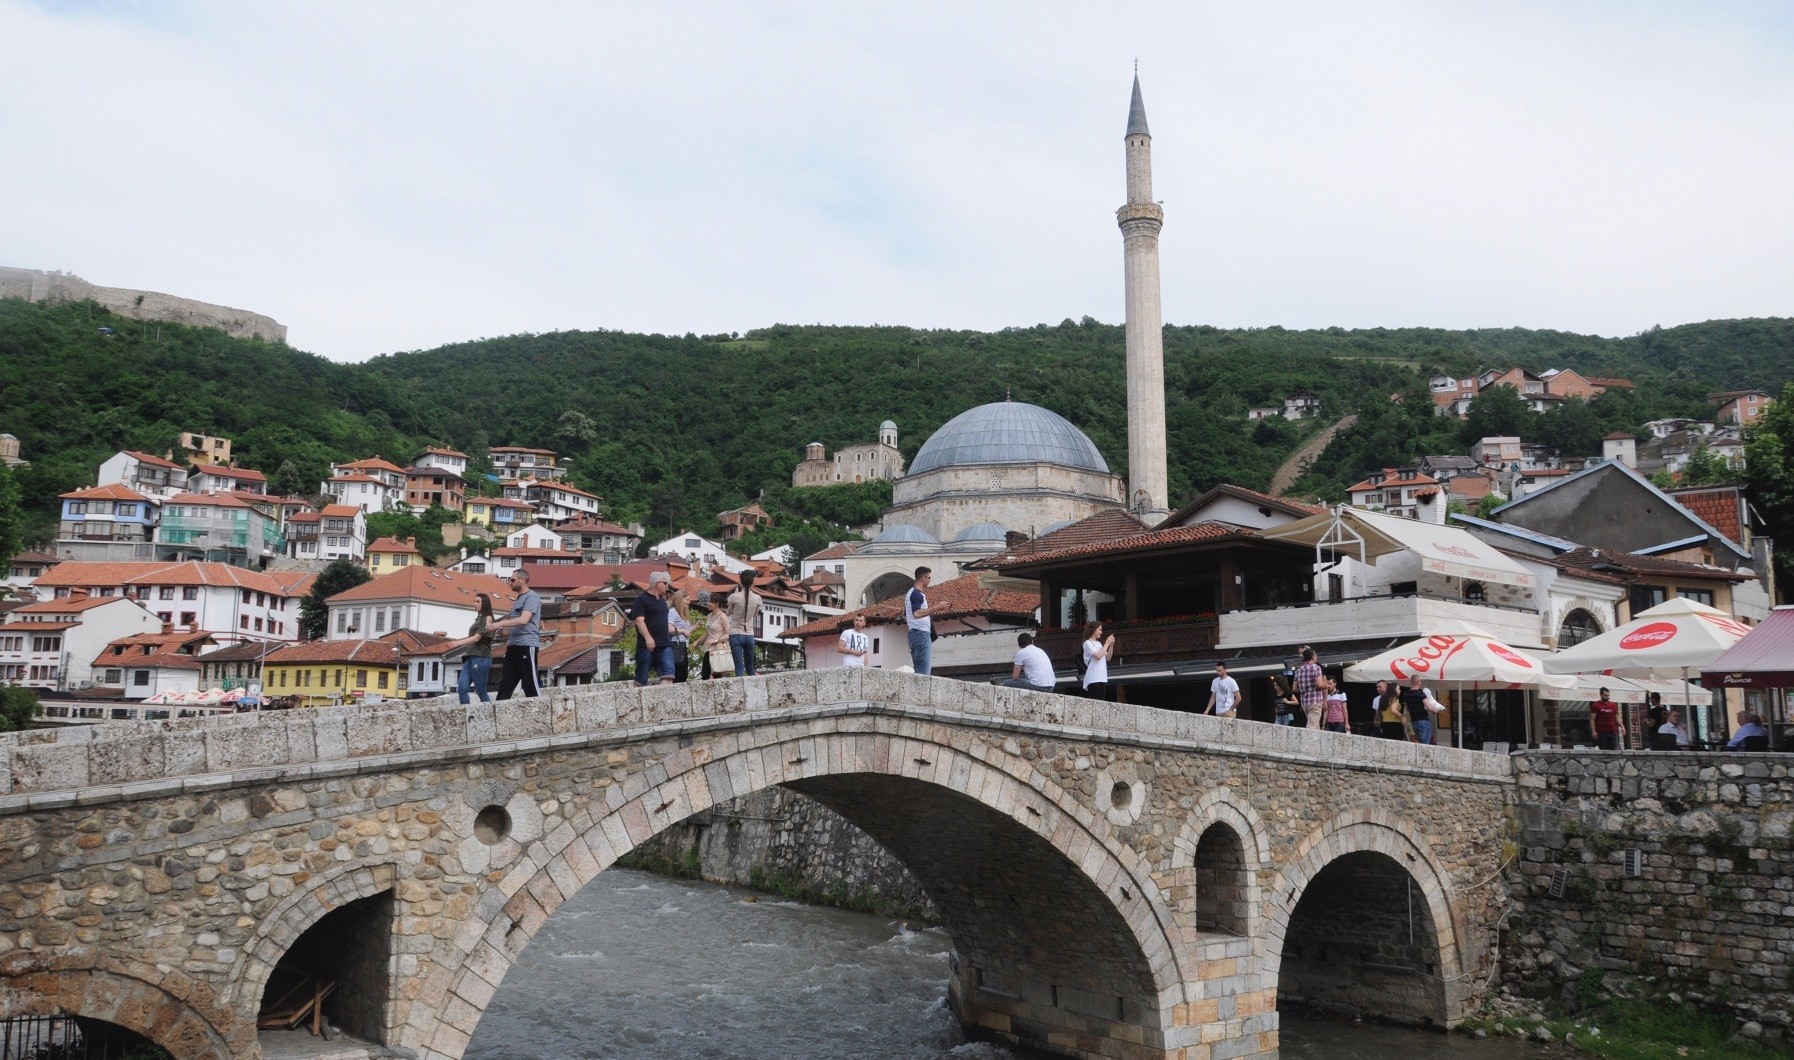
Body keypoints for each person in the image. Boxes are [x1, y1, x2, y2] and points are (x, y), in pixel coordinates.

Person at [489, 569, 541, 700]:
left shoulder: (532, 597)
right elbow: (513, 620)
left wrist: (501, 624)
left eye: (512, 580)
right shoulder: (519, 598)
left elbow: (523, 620)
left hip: (526, 644)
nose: (509, 582)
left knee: (529, 683)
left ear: (522, 580)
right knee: (506, 683)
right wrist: (497, 625)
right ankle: (499, 708)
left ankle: (540, 709)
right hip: (513, 645)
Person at [630, 571, 675, 686]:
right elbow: (639, 621)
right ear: (657, 583)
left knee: (668, 674)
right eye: (665, 583)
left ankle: (664, 696)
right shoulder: (642, 600)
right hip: (647, 645)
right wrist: (648, 638)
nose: (666, 586)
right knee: (641, 679)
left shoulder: (662, 601)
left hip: (664, 643)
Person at [456, 592, 495, 705]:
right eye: (474, 601)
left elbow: (478, 637)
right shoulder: (479, 618)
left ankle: (488, 712)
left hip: (481, 657)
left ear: (485, 603)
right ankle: (466, 712)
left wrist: (458, 643)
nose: (475, 604)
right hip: (470, 657)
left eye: (478, 601)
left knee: (481, 690)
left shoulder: (488, 618)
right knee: (462, 688)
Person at [727, 570, 761, 677]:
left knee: (739, 667)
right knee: (750, 667)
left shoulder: (734, 597)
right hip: (749, 634)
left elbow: (728, 613)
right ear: (753, 582)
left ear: (740, 581)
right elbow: (755, 615)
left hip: (735, 632)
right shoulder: (757, 598)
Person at [905, 567, 935, 675]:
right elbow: (917, 613)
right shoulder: (916, 594)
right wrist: (937, 608)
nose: (929, 580)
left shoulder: (911, 593)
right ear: (923, 578)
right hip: (921, 633)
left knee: (919, 671)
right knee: (924, 672)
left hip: (915, 633)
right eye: (929, 578)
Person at [699, 590, 731, 680]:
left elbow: (729, 633)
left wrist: (716, 640)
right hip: (709, 646)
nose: (708, 603)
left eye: (710, 602)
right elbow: (707, 632)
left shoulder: (723, 617)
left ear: (716, 604)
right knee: (705, 671)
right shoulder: (709, 615)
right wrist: (697, 642)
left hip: (719, 647)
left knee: (718, 672)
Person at [1400, 675, 1438, 746]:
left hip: (1414, 721)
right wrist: (1435, 711)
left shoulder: (1406, 695)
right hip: (1423, 720)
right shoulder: (1420, 694)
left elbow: (1407, 708)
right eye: (1420, 681)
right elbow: (1429, 707)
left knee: (1419, 743)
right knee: (1425, 743)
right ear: (1418, 682)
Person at [1081, 622, 1115, 700]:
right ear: (1094, 630)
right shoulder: (1087, 643)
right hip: (1093, 678)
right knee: (1095, 700)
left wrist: (1111, 645)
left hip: (1102, 676)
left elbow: (1108, 658)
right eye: (1099, 630)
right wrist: (1107, 643)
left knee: (1102, 701)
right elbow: (1098, 656)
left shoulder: (1099, 643)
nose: (1101, 632)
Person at [1294, 647, 1324, 730]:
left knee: (1315, 725)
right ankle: (1305, 739)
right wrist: (1325, 685)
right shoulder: (1316, 668)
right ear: (1313, 657)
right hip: (1315, 701)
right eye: (1315, 656)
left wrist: (1305, 689)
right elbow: (1320, 685)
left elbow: (1294, 688)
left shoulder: (1298, 671)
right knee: (1312, 726)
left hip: (1304, 702)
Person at [667, 588, 693, 682]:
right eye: (687, 600)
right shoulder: (673, 612)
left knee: (683, 673)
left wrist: (695, 627)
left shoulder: (681, 613)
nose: (688, 602)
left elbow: (687, 632)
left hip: (683, 645)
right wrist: (682, 631)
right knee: (679, 673)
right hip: (676, 645)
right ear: (680, 600)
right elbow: (669, 629)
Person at [1590, 686, 1625, 750]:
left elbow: (1616, 717)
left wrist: (1622, 726)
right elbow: (1592, 719)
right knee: (1603, 750)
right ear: (1601, 695)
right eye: (1606, 695)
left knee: (1615, 750)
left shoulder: (1613, 705)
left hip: (1613, 732)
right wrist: (1593, 731)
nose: (1607, 697)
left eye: (1608, 695)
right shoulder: (1596, 705)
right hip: (1602, 732)